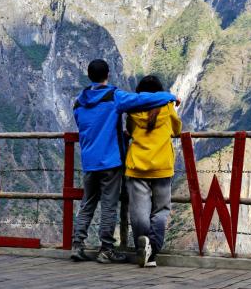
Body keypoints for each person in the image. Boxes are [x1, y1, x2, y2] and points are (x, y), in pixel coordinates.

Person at [71, 59, 177, 264]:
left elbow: (82, 126)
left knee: (87, 203)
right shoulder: (114, 97)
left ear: (89, 76)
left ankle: (77, 245)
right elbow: (142, 99)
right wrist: (171, 96)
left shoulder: (78, 102)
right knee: (109, 206)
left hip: (89, 160)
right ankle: (106, 249)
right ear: (108, 75)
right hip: (110, 161)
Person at [126, 75, 182, 268]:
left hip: (138, 166)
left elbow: (130, 130)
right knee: (160, 210)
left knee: (139, 212)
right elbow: (177, 130)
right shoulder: (167, 108)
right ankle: (152, 251)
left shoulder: (133, 110)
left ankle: (143, 247)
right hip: (162, 167)